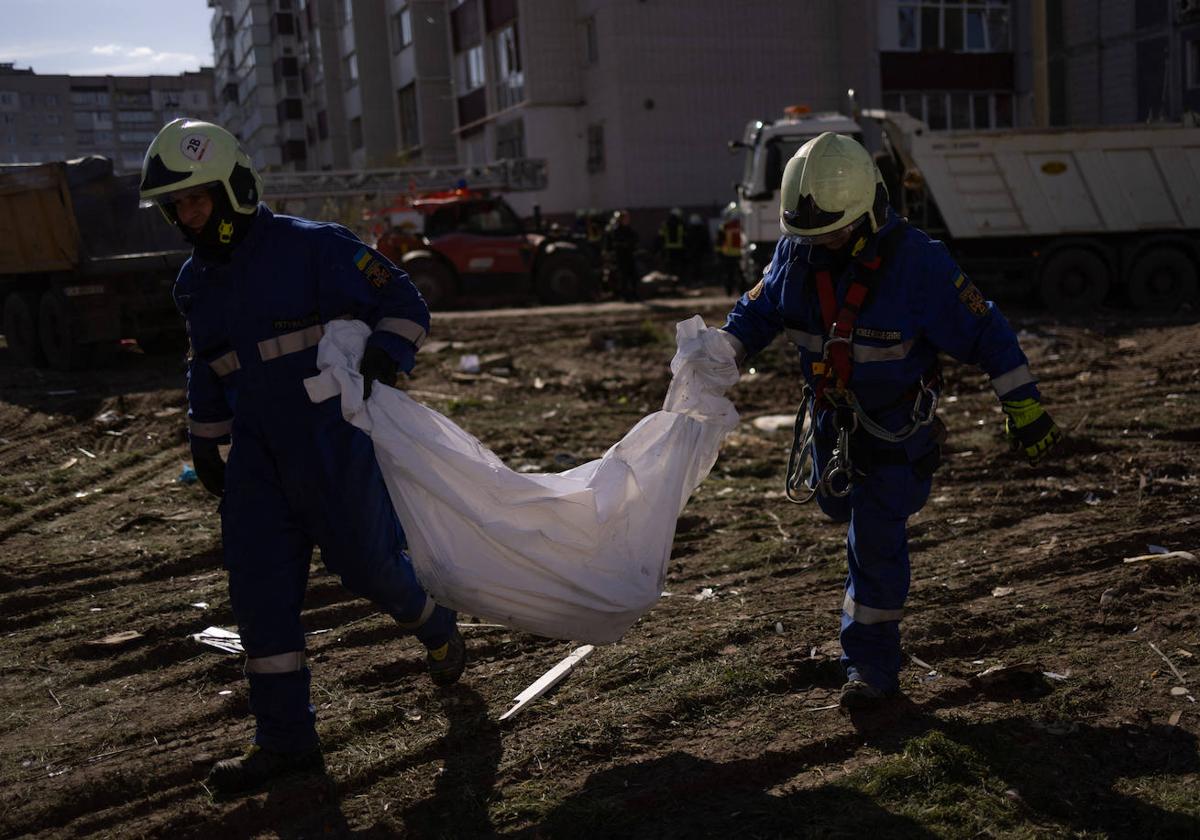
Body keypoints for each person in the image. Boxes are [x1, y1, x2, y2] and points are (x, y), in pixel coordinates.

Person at [138, 118, 467, 794]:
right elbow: (208, 364)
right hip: (258, 458)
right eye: (178, 207)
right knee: (258, 594)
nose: (188, 217)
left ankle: (436, 625)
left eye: (197, 200)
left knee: (369, 570)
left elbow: (402, 297)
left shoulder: (313, 248)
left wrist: (388, 351)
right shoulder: (194, 282)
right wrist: (206, 439)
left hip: (330, 442)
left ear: (233, 189)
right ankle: (286, 743)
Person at [719, 132, 1061, 709]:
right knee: (839, 510)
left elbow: (987, 332)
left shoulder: (918, 265)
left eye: (832, 230)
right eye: (809, 234)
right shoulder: (795, 253)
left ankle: (871, 671)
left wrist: (1022, 403)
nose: (820, 242)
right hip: (832, 427)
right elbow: (756, 313)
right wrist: (716, 357)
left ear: (869, 210)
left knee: (874, 541)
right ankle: (867, 652)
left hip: (895, 430)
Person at [605, 209, 641, 302]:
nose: (627, 220)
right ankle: (625, 296)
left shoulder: (629, 230)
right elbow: (613, 244)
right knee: (623, 277)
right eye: (625, 218)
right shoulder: (616, 231)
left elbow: (635, 239)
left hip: (630, 256)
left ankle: (635, 295)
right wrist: (623, 245)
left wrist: (632, 245)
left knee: (633, 276)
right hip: (621, 257)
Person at [716, 202, 744, 296]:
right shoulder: (743, 225)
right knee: (741, 275)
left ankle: (729, 293)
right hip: (741, 254)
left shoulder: (724, 226)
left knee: (729, 275)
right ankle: (742, 292)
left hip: (728, 254)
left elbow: (719, 241)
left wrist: (718, 253)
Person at [655, 207, 686, 281]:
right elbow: (685, 236)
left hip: (668, 248)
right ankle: (679, 281)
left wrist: (659, 248)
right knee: (679, 265)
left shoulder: (665, 223)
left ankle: (671, 281)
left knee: (670, 265)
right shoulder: (681, 224)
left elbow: (660, 236)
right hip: (679, 248)